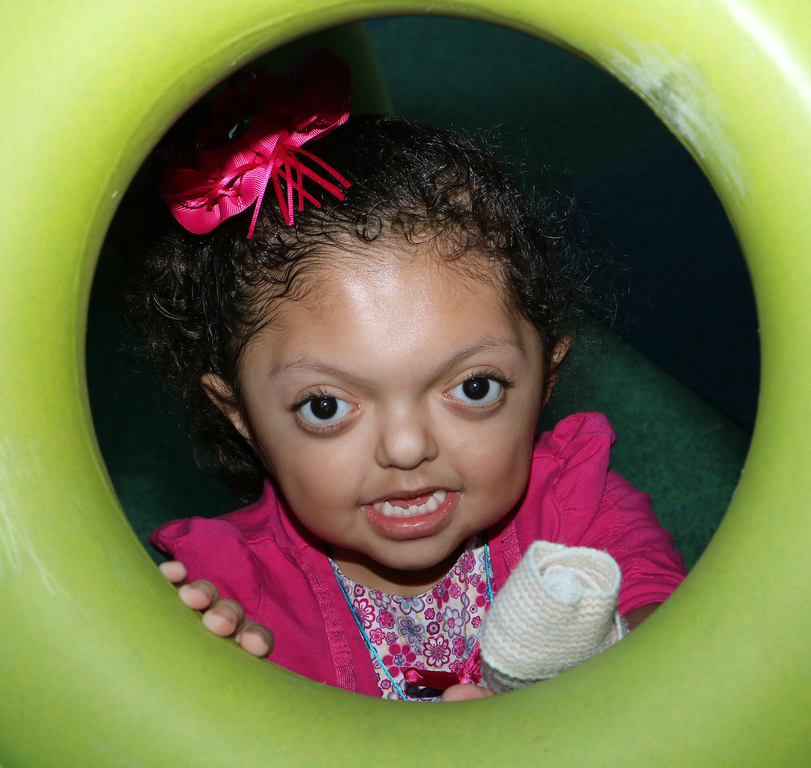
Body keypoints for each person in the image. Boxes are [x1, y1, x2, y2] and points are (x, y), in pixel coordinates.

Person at [127, 49, 686, 702]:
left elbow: (680, 649)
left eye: (473, 388)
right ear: (240, 415)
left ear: (545, 380)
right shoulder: (226, 589)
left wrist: (598, 668)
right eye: (325, 407)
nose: (406, 448)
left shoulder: (583, 512)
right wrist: (208, 683)